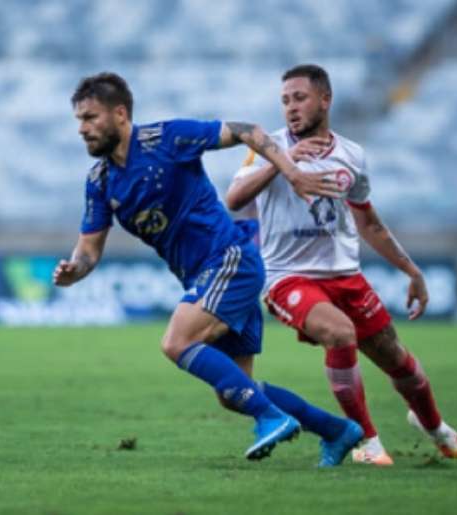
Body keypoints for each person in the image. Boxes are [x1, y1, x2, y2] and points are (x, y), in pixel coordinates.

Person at [54, 72, 363, 466]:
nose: (82, 129)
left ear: (120, 114)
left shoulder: (166, 139)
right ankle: (338, 431)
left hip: (229, 258)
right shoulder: (99, 181)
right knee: (235, 392)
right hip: (208, 273)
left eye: (90, 118)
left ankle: (270, 417)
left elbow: (247, 130)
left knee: (176, 342)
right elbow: (88, 251)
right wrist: (73, 270)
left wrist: (292, 172)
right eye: (79, 120)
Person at [226, 64, 457, 465]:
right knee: (339, 333)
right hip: (288, 277)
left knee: (396, 358)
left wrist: (412, 271)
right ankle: (366, 441)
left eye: (299, 98)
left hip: (346, 275)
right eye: (285, 100)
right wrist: (282, 161)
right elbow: (234, 200)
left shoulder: (352, 155)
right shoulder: (267, 144)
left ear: (325, 99)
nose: (291, 108)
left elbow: (368, 222)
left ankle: (434, 426)